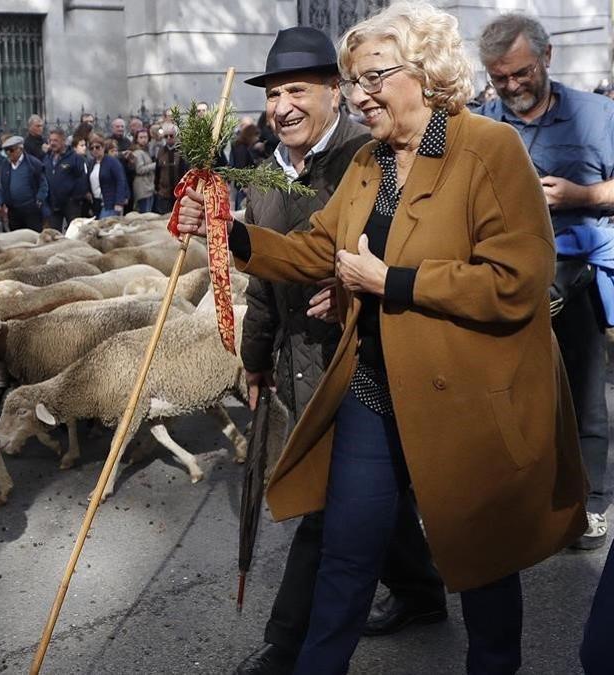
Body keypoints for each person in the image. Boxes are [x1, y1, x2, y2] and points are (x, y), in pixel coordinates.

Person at [176, 3, 587, 672]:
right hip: (374, 387)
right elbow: (313, 248)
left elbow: (518, 279)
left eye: (372, 78)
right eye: (352, 80)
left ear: (424, 73)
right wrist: (225, 232)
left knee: (483, 567)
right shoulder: (370, 162)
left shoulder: (490, 148)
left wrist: (392, 281)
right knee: (346, 550)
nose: (359, 95)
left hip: (469, 400)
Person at [231, 25, 445, 675]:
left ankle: (286, 646)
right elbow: (267, 275)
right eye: (272, 94)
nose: (282, 106)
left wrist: (350, 278)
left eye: (298, 89)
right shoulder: (267, 174)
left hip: (362, 358)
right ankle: (420, 589)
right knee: (367, 497)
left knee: (326, 508)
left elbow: (416, 247)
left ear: (334, 93)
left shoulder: (370, 153)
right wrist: (256, 356)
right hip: (298, 359)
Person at [476, 13, 614, 553]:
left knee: (583, 396)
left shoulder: (599, 115)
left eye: (520, 73)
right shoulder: (483, 127)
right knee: (503, 398)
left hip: (575, 280)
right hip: (502, 281)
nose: (511, 86)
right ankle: (516, 499)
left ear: (547, 57)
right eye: (499, 78)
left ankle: (590, 504)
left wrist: (579, 197)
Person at [0, 135, 48, 232]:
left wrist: (39, 200)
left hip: (31, 209)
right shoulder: (5, 166)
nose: (8, 153)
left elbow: (43, 184)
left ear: (20, 149)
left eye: (11, 150)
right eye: (5, 150)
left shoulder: (33, 164)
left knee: (33, 236)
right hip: (14, 210)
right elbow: (1, 187)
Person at [44, 127, 88, 230]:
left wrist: (75, 198)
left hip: (71, 204)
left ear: (63, 141)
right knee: (54, 234)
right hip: (54, 204)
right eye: (50, 140)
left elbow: (82, 179)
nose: (52, 143)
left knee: (74, 232)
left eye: (55, 140)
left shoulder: (75, 158)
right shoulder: (47, 158)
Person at [152, 122, 188, 214]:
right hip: (164, 193)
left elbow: (187, 171)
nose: (168, 138)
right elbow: (157, 171)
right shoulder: (161, 151)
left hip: (180, 193)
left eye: (171, 136)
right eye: (166, 136)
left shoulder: (182, 151)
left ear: (176, 136)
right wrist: (157, 188)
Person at [90, 137, 129, 219]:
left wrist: (119, 202)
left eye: (97, 147)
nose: (95, 150)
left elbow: (121, 181)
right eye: (91, 148)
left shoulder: (112, 162)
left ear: (103, 148)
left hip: (110, 202)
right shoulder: (92, 163)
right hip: (97, 202)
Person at [128, 129, 156, 214]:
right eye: (141, 137)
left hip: (148, 186)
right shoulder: (137, 152)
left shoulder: (146, 151)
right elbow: (139, 169)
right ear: (136, 139)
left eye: (145, 137)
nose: (144, 139)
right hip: (142, 188)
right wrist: (155, 165)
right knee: (145, 214)